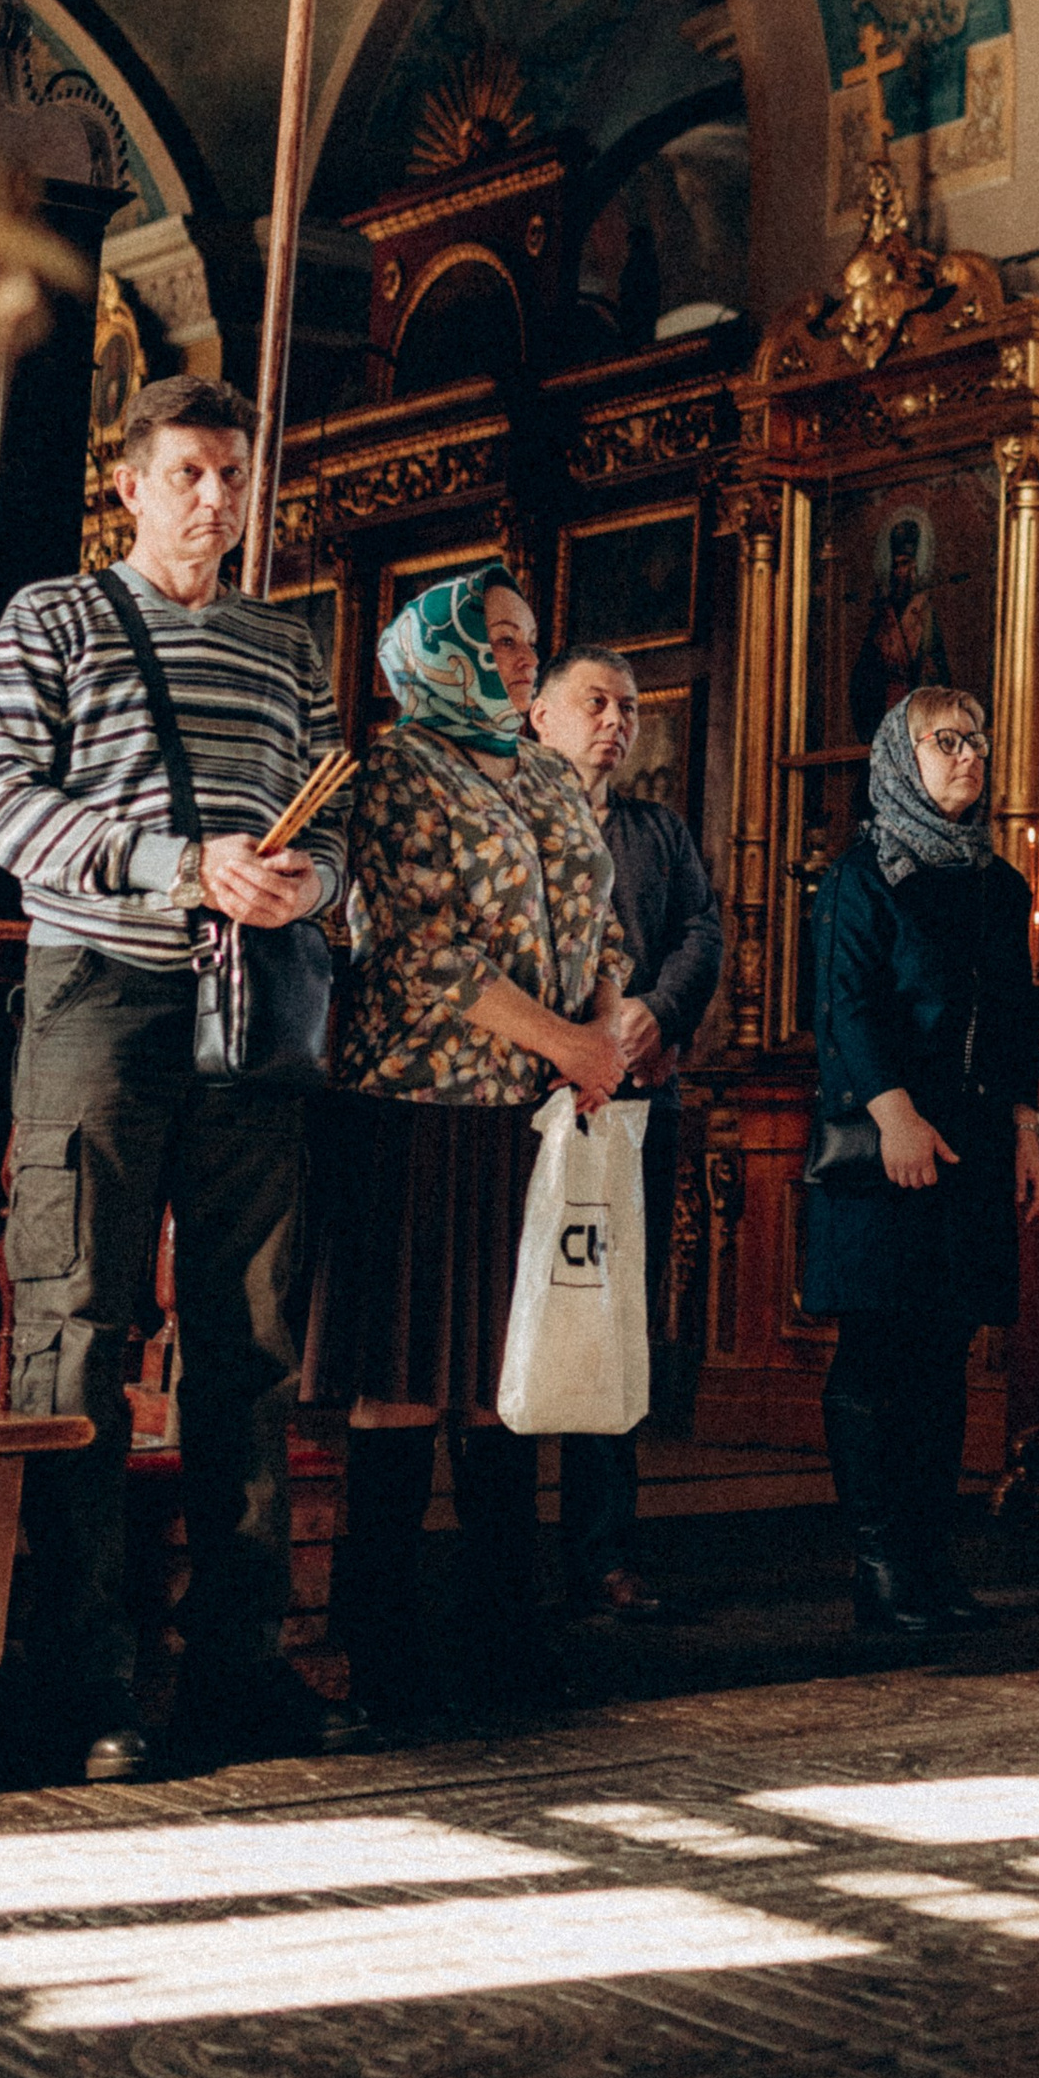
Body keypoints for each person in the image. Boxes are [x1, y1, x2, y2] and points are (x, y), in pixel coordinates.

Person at [0, 372, 361, 1782]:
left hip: (252, 1007)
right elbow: (9, 803)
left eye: (234, 477)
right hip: (101, 995)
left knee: (250, 1347)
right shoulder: (54, 617)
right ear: (128, 484)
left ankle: (237, 1667)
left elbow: (343, 816)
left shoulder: (285, 643)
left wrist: (314, 881)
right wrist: (179, 863)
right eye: (189, 473)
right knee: (73, 1328)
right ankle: (73, 1678)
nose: (216, 500)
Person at [308, 568, 628, 1724]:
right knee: (400, 1388)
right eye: (495, 640)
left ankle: (505, 1648)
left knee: (510, 1385)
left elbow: (604, 920)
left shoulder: (545, 768)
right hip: (417, 1110)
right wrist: (568, 1044)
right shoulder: (396, 769)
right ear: (437, 647)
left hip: (533, 1118)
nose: (517, 659)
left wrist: (606, 1025)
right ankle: (379, 1658)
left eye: (528, 641)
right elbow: (417, 956)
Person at [805, 687, 1039, 1637]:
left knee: (946, 1357)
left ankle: (932, 1562)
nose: (967, 755)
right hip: (885, 1145)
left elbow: (1016, 1018)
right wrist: (895, 1112)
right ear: (899, 760)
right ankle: (877, 1568)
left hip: (978, 1142)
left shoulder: (1000, 884)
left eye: (977, 739)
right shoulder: (857, 878)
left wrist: (1030, 1132)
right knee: (877, 1352)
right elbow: (846, 1008)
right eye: (944, 741)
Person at [527, 643, 725, 1621]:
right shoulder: (511, 822)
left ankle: (602, 1552)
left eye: (630, 707)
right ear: (540, 717)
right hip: (533, 1104)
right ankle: (506, 1549)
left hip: (642, 1102)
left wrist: (655, 1011)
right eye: (596, 702)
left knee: (615, 1324)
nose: (616, 721)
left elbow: (704, 930)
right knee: (528, 1308)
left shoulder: (659, 831)